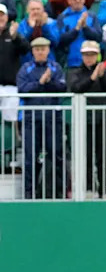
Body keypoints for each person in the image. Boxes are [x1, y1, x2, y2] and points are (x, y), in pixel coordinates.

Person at [17, 36, 67, 199]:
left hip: (53, 118)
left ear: (48, 51)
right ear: (33, 51)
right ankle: (29, 193)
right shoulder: (26, 68)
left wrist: (48, 81)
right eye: (37, 49)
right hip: (32, 119)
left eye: (43, 49)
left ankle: (60, 191)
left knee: (57, 155)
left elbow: (62, 87)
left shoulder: (55, 67)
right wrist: (40, 82)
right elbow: (22, 89)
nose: (40, 52)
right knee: (31, 156)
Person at [67, 40, 106, 198]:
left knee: (104, 156)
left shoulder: (105, 71)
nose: (89, 58)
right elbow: (76, 88)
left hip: (103, 120)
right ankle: (88, 187)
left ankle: (103, 188)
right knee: (85, 155)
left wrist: (101, 77)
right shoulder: (75, 72)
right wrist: (92, 78)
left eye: (92, 54)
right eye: (86, 54)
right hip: (84, 121)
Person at [56, 0, 102, 72]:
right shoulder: (62, 17)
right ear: (69, 1)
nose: (78, 1)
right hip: (70, 64)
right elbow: (60, 40)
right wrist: (76, 29)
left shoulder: (92, 16)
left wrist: (85, 27)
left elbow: (98, 37)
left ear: (84, 0)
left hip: (91, 64)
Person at [0, 4, 28, 123]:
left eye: (2, 15)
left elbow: (25, 49)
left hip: (10, 86)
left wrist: (15, 37)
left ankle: (12, 141)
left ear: (7, 17)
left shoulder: (13, 34)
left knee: (11, 122)